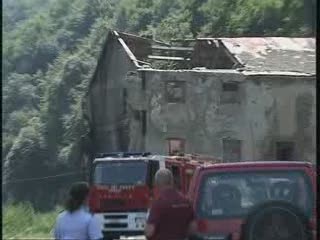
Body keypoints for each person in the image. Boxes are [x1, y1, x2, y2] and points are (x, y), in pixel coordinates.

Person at [145, 169, 196, 240]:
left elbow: (149, 232)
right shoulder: (186, 202)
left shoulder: (158, 204)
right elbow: (193, 229)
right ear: (172, 181)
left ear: (156, 183)